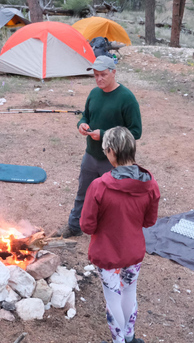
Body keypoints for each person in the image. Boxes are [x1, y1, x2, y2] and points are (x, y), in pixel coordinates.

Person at [80, 126, 159, 343]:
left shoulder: (99, 187)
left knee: (112, 297)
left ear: (112, 151)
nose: (106, 154)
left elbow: (87, 226)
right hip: (133, 251)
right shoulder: (150, 184)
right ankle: (130, 336)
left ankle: (118, 341)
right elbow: (149, 221)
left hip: (107, 255)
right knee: (129, 291)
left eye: (106, 150)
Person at [54, 55, 142, 238]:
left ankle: (113, 233)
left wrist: (103, 135)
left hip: (114, 161)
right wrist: (82, 123)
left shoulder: (127, 98)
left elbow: (135, 132)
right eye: (96, 75)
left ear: (114, 72)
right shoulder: (94, 93)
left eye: (103, 74)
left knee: (113, 199)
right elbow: (86, 115)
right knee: (82, 193)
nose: (99, 79)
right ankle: (74, 226)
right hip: (91, 155)